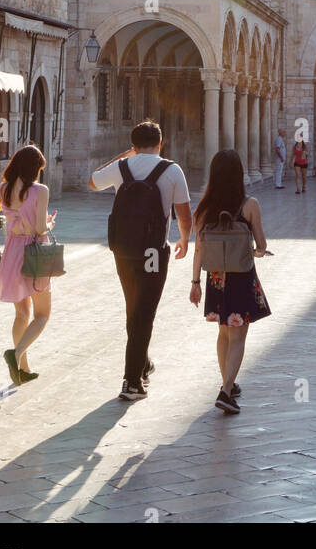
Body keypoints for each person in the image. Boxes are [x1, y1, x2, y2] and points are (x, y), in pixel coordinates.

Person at [89, 120, 192, 402]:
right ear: (161, 143)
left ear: (133, 146)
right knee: (144, 311)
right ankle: (132, 381)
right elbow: (184, 213)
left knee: (134, 307)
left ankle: (142, 363)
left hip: (123, 249)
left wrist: (123, 157)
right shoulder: (171, 170)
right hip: (152, 252)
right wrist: (184, 239)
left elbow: (92, 180)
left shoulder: (121, 168)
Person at [189, 149, 271, 415]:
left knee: (224, 333)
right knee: (238, 336)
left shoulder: (204, 208)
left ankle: (229, 383)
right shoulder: (249, 205)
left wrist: (195, 282)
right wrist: (257, 251)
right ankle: (225, 391)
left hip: (215, 278)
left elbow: (199, 250)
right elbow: (261, 245)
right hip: (241, 277)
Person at [0, 144, 56, 387]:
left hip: (12, 252)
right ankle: (16, 354)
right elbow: (40, 228)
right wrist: (50, 224)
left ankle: (22, 369)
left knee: (21, 314)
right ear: (34, 169)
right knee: (42, 315)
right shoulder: (40, 190)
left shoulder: (4, 188)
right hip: (35, 251)